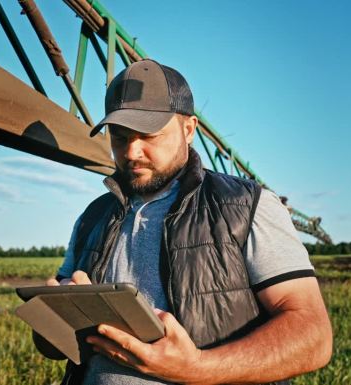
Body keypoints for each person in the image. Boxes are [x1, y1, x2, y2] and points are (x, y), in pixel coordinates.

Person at [33, 59, 333, 385]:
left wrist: (198, 368)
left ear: (188, 130)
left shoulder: (247, 206)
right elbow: (53, 346)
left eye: (149, 135)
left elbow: (313, 337)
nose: (132, 152)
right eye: (119, 137)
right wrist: (56, 317)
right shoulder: (92, 218)